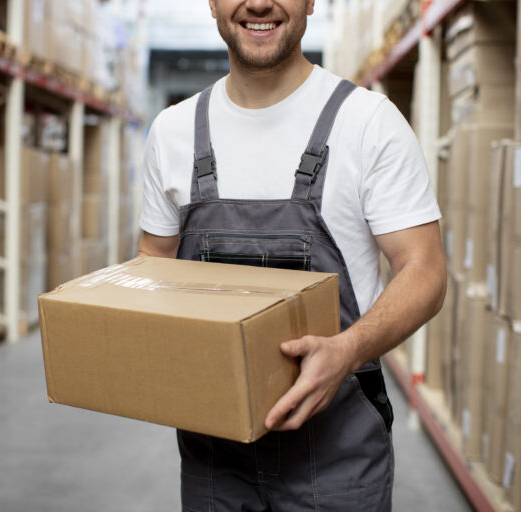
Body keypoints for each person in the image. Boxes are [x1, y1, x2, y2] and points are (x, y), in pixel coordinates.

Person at [137, 0, 447, 510]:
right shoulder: (172, 132)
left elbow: (426, 271)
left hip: (337, 459)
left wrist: (346, 350)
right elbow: (153, 266)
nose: (258, 4)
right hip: (215, 460)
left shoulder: (368, 122)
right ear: (212, 3)